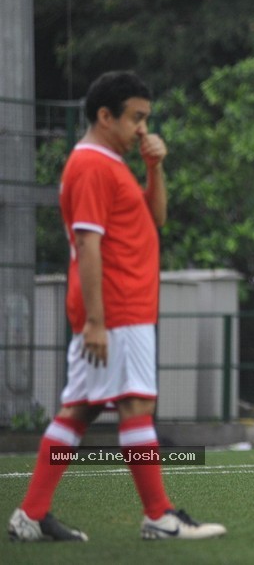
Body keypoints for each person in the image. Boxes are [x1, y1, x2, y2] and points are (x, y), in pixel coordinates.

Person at [7, 71, 225, 543]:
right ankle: (159, 516)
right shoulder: (90, 165)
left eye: (147, 119)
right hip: (118, 309)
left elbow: (156, 218)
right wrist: (97, 323)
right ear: (105, 116)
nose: (144, 129)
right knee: (136, 404)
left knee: (79, 411)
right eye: (136, 119)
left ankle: (30, 515)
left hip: (119, 309)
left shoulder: (112, 162)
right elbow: (88, 245)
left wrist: (155, 168)